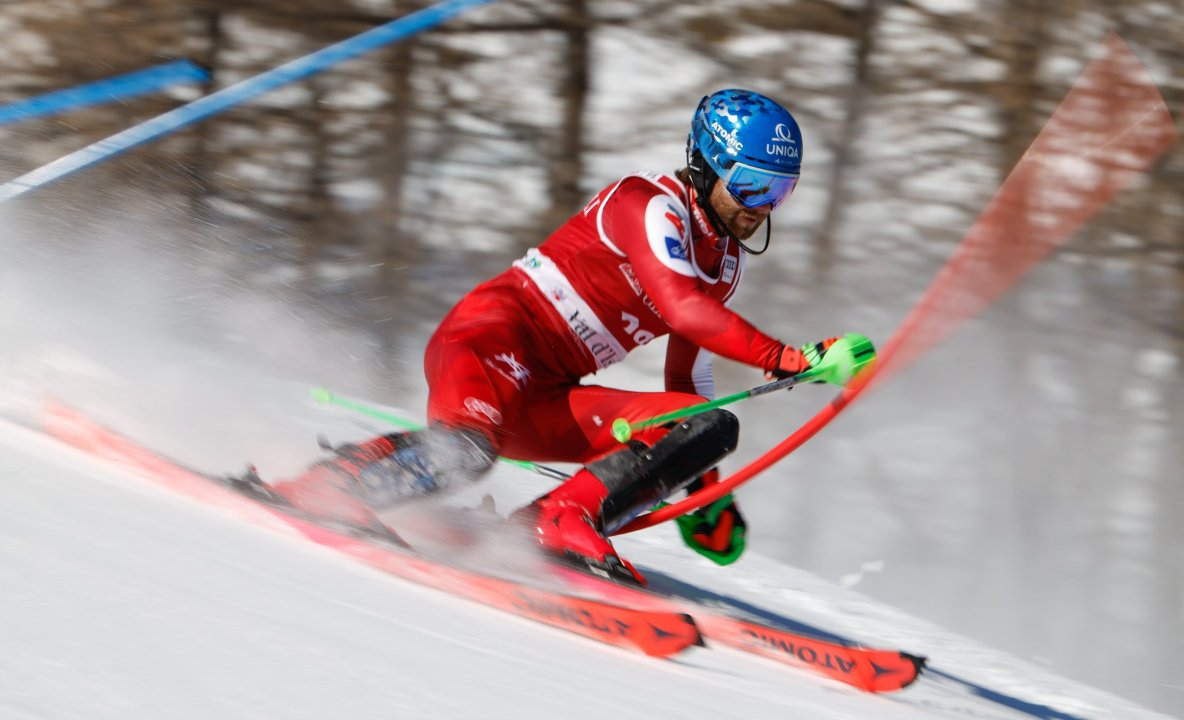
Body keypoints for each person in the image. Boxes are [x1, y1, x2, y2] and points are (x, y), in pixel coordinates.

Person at [267, 89, 870, 585]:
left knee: (712, 423)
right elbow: (682, 309)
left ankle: (559, 516)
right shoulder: (648, 205)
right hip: (490, 342)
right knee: (469, 453)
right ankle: (334, 485)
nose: (762, 208)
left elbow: (688, 384)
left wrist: (703, 486)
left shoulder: (724, 264)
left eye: (780, 192)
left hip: (549, 395)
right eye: (752, 186)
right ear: (710, 163)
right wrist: (789, 358)